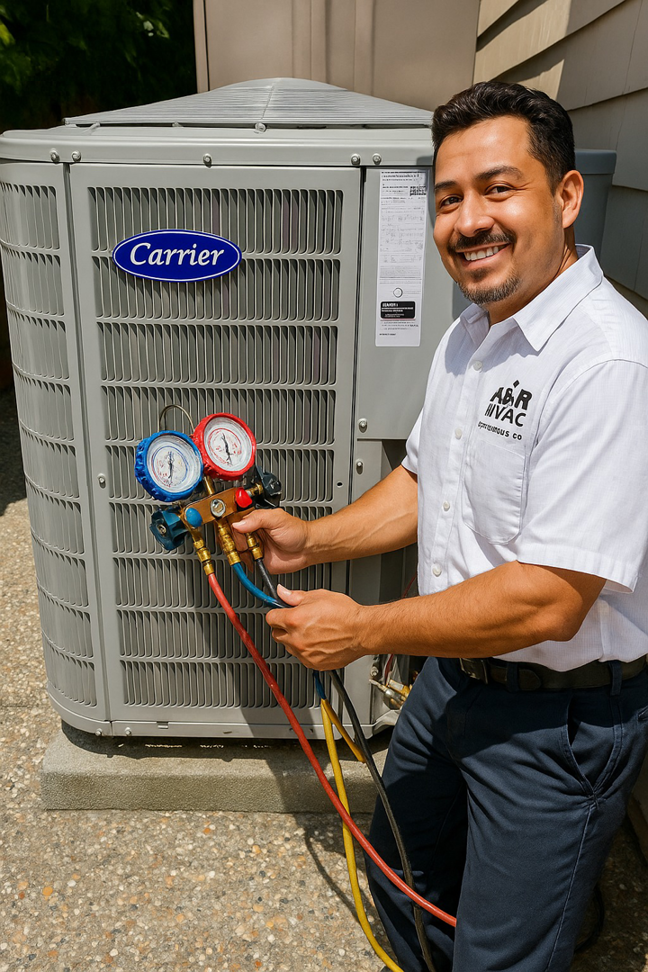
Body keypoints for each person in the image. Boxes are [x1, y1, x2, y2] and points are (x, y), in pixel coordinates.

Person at [232, 81, 648, 971]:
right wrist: (314, 539)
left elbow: (548, 600)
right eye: (449, 196)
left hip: (557, 718)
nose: (468, 221)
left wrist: (366, 630)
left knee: (502, 956)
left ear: (566, 197)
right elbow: (429, 480)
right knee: (401, 878)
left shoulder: (607, 364)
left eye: (499, 189)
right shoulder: (471, 333)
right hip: (449, 688)